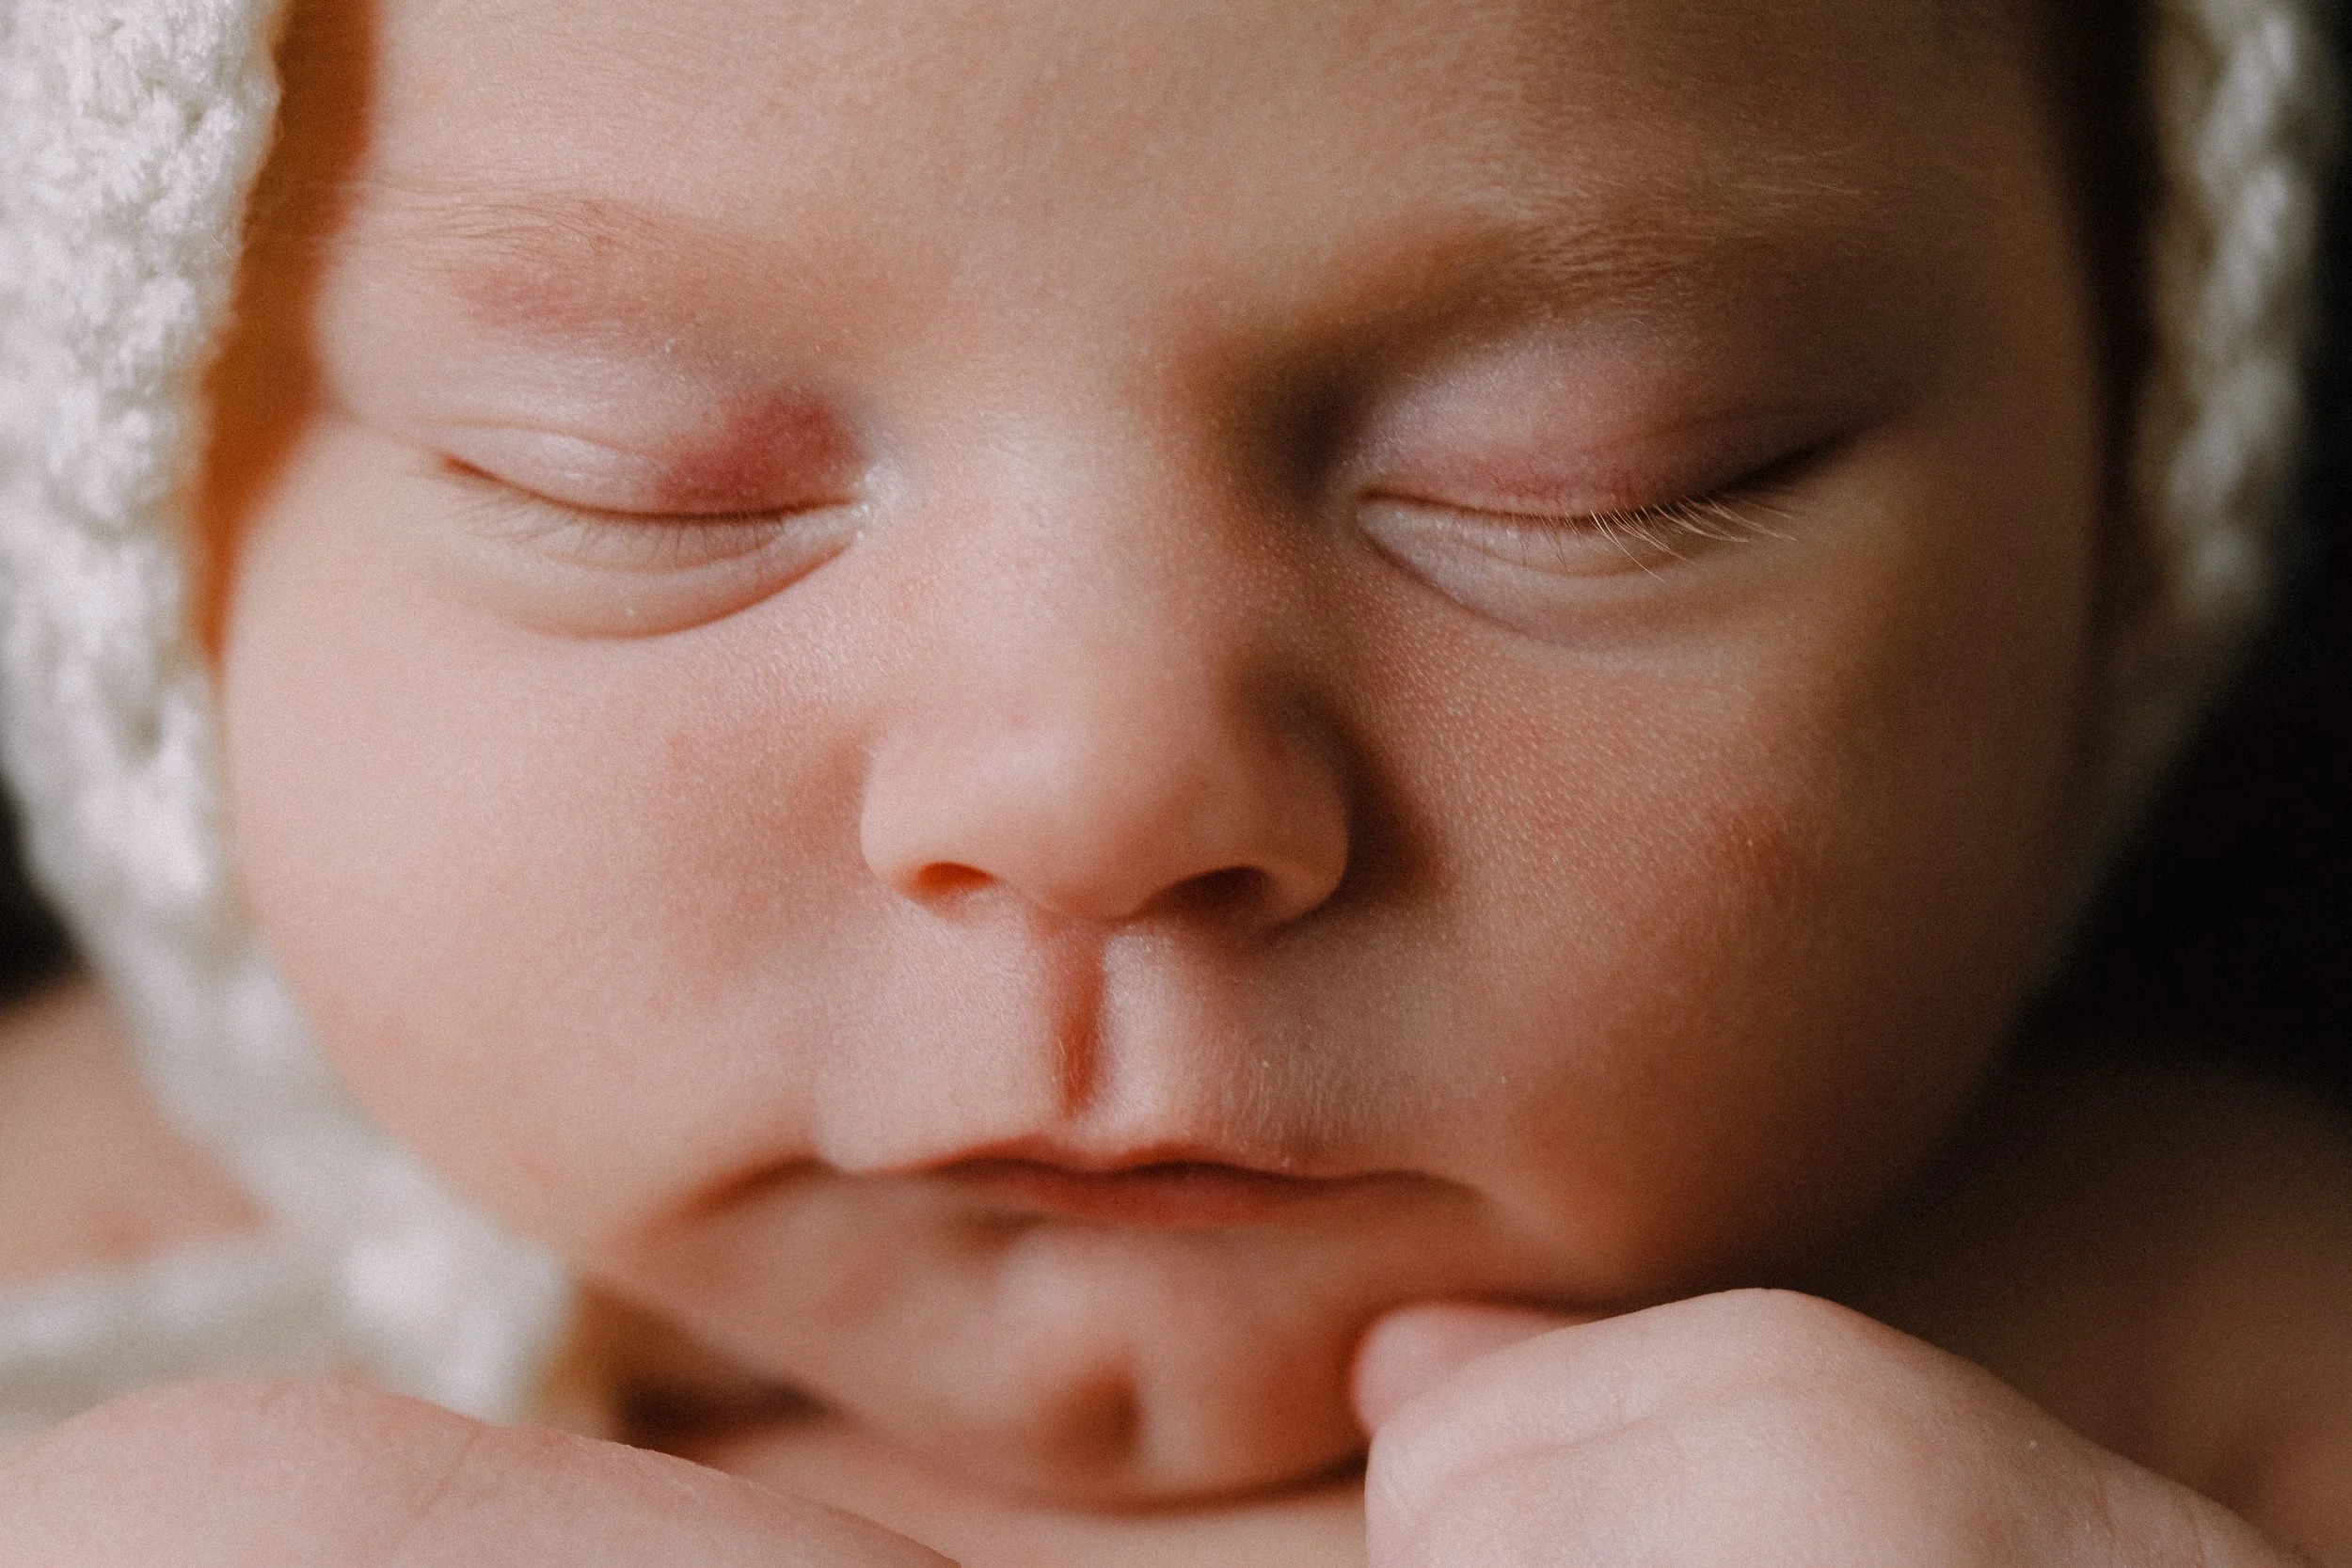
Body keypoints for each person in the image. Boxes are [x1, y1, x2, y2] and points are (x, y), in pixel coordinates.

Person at [0, 0, 2344, 1561]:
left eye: (1588, 476)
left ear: (2125, 482)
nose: (1102, 793)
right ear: (153, 536)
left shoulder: (2206, 1347)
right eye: (642, 486)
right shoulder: (74, 1255)